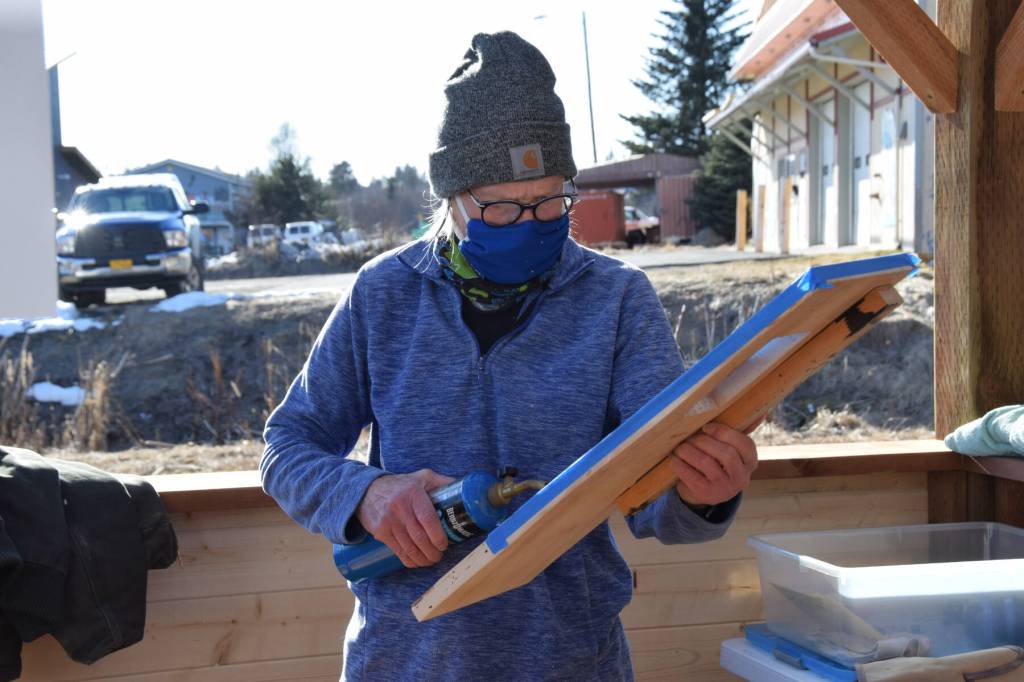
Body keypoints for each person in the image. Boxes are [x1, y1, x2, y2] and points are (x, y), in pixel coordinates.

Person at [261, 31, 757, 681]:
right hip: (406, 661)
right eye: (501, 207)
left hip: (571, 662)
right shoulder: (383, 294)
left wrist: (706, 497)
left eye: (551, 201)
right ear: (454, 199)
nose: (531, 221)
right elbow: (286, 449)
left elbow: (655, 505)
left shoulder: (616, 301)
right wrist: (369, 494)